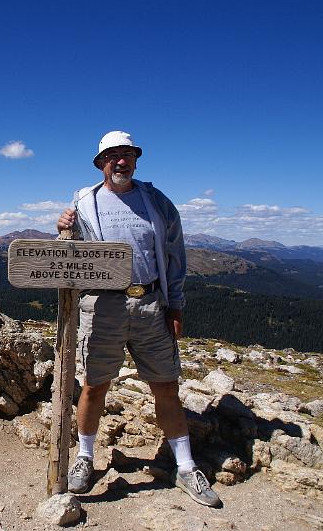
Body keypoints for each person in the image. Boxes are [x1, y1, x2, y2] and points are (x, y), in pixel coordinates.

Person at [56, 130, 220, 507]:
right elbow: (73, 251)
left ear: (135, 159)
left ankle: (185, 466)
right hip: (101, 306)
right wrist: (63, 226)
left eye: (127, 154)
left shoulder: (156, 201)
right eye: (112, 156)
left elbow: (175, 255)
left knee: (165, 386)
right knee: (95, 386)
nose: (120, 161)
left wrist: (175, 305)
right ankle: (84, 458)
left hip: (150, 304)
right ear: (101, 164)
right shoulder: (83, 201)